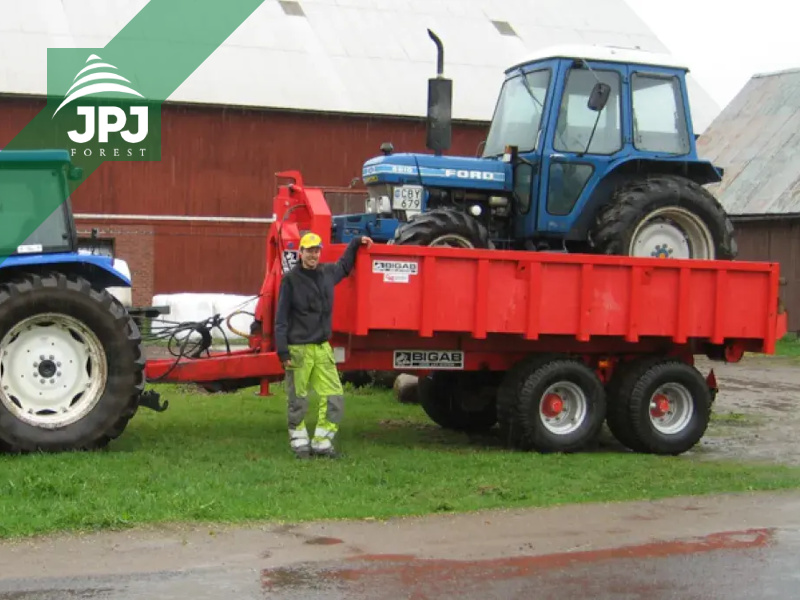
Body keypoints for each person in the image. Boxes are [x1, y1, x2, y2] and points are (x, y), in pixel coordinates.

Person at [274, 231, 373, 459]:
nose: (313, 255)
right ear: (301, 253)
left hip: (322, 348)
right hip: (298, 350)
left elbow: (345, 266)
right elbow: (281, 319)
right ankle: (299, 443)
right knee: (298, 399)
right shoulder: (290, 280)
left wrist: (356, 242)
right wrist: (283, 351)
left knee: (334, 396)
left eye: (316, 250)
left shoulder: (327, 273)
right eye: (309, 251)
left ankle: (322, 443)